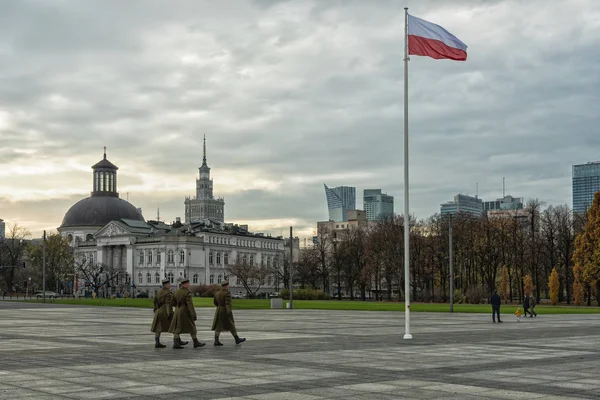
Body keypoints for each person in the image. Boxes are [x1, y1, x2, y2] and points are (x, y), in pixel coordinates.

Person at [168, 279, 205, 349]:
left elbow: (172, 302)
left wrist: (178, 305)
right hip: (185, 311)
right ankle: (195, 342)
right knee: (192, 327)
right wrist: (193, 314)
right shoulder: (187, 293)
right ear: (185, 284)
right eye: (188, 283)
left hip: (177, 310)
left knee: (177, 327)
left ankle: (176, 343)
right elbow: (190, 304)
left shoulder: (176, 291)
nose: (189, 285)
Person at [212, 281, 246, 345]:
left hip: (218, 310)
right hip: (225, 311)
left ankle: (216, 340)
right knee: (231, 325)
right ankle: (237, 338)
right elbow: (228, 304)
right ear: (226, 286)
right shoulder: (227, 293)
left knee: (218, 326)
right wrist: (229, 312)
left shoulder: (217, 293)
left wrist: (219, 307)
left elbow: (215, 303)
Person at [151, 278, 182, 348]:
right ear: (166, 285)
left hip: (159, 311)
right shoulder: (168, 293)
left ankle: (157, 342)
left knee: (158, 327)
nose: (170, 285)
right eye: (169, 284)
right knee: (174, 325)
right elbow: (168, 304)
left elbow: (155, 301)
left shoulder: (159, 291)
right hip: (165, 311)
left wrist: (156, 308)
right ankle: (177, 341)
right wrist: (169, 313)